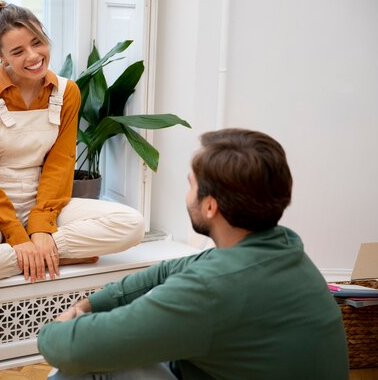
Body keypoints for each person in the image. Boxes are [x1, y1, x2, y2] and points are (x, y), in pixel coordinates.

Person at [38, 128, 349, 380]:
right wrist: (92, 303)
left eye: (191, 185)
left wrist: (57, 328)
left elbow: (70, 349)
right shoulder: (283, 249)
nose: (186, 195)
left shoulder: (210, 289)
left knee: (84, 369)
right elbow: (164, 273)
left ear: (210, 205)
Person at [0, 0, 145, 285]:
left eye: (38, 42)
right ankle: (51, 255)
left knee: (132, 225)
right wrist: (16, 233)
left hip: (45, 200)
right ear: (1, 56)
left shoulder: (66, 92)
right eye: (17, 51)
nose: (33, 56)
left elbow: (60, 163)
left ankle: (34, 253)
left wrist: (40, 227)